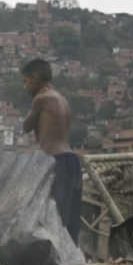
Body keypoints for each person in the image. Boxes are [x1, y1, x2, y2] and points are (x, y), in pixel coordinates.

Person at [21, 58, 83, 246]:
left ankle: (56, 263)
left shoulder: (42, 98)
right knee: (71, 219)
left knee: (55, 216)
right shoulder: (61, 99)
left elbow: (25, 126)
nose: (24, 88)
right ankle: (70, 260)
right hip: (72, 160)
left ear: (35, 78)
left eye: (25, 81)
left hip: (57, 161)